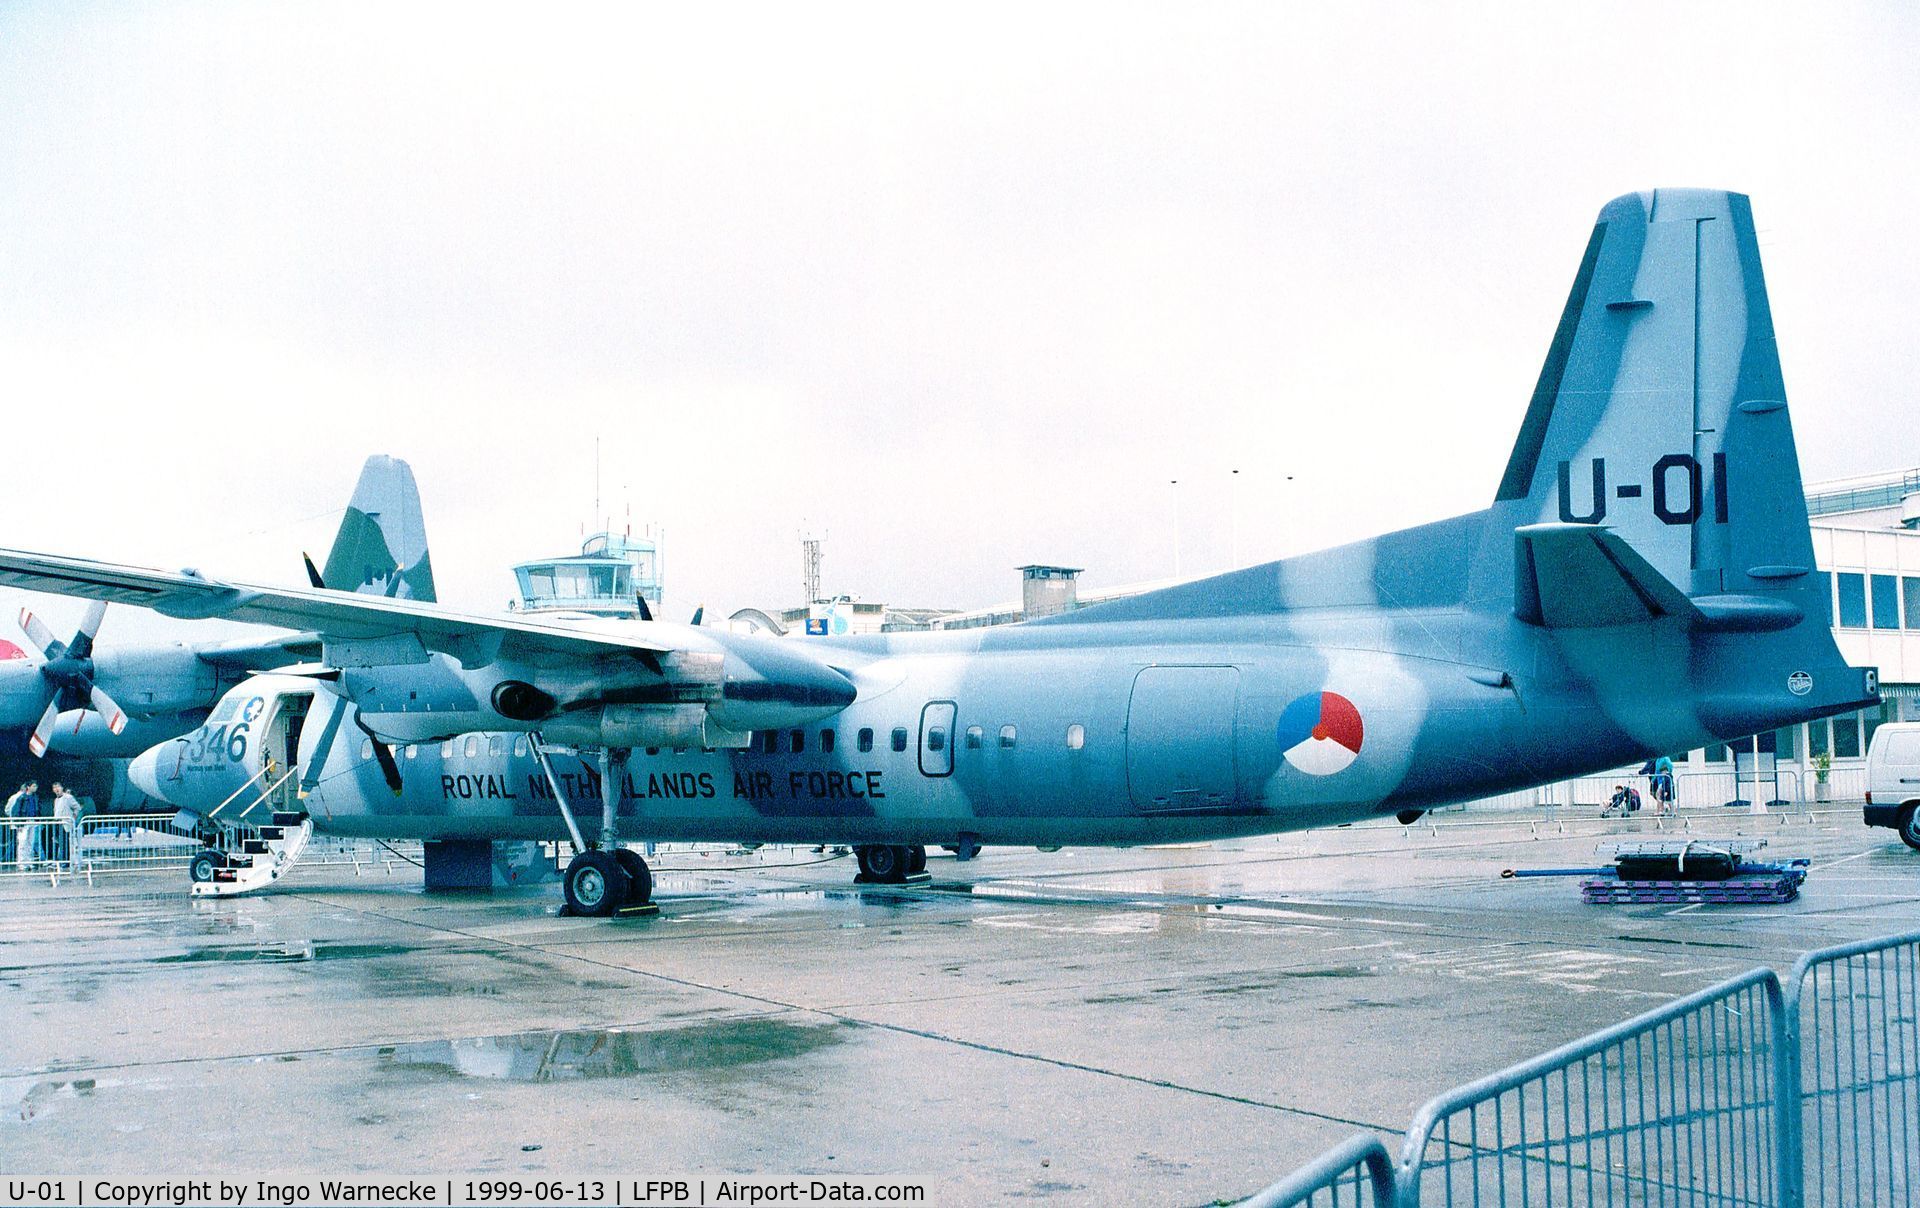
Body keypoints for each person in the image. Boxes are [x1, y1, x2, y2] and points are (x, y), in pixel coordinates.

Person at [49, 783, 79, 869]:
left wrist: (73, 817)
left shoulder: (68, 798)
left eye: (58, 787)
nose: (56, 789)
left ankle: (66, 861)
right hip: (57, 823)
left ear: (62, 788)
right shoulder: (56, 800)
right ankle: (61, 860)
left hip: (65, 823)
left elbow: (77, 807)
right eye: (54, 787)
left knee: (65, 843)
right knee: (58, 842)